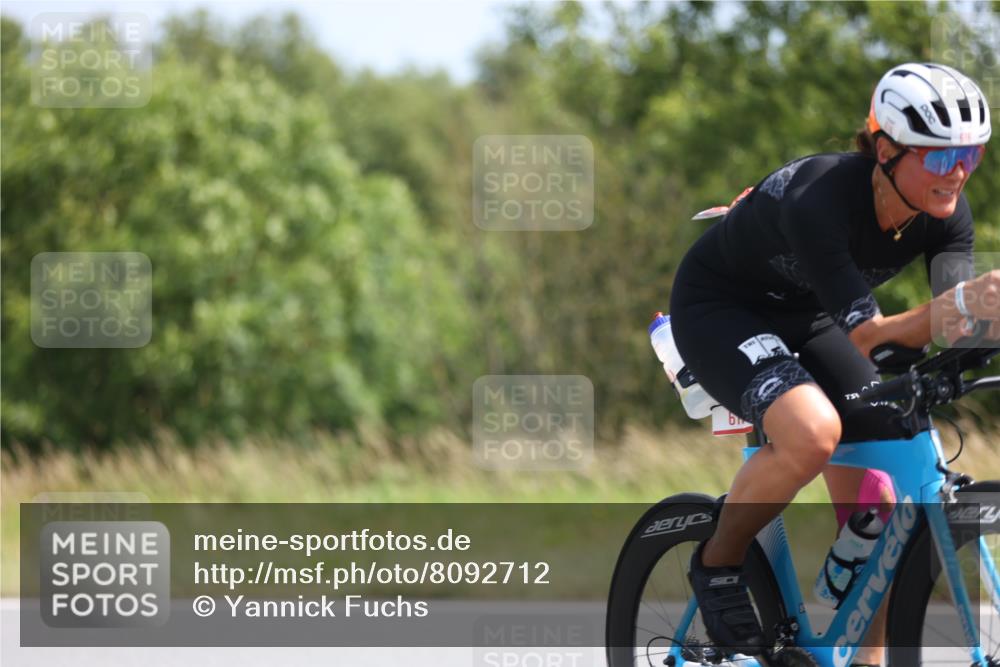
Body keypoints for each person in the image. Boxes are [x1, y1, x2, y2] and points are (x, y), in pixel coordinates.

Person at [668, 62, 998, 665]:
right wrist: (960, 307)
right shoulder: (819, 197)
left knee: (894, 485)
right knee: (813, 434)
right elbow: (871, 335)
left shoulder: (947, 215)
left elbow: (953, 327)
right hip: (722, 309)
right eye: (941, 156)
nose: (957, 172)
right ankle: (717, 563)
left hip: (813, 317)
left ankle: (860, 655)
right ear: (886, 150)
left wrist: (981, 323)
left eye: (970, 155)